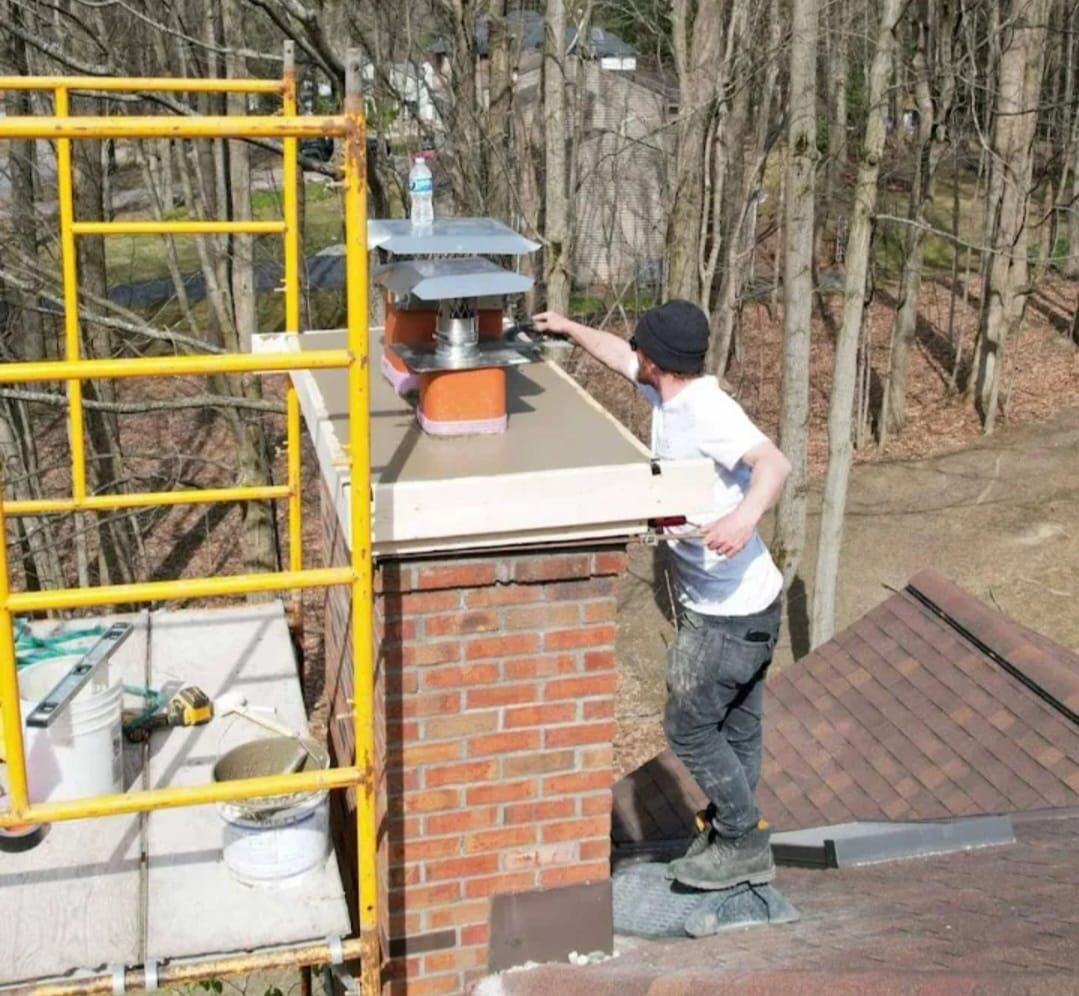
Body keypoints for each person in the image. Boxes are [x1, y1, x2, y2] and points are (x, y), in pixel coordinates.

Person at [533, 299, 791, 891]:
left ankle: (742, 838)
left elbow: (773, 462)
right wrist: (569, 329)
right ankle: (733, 838)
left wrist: (745, 517)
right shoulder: (670, 393)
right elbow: (619, 355)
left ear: (656, 359)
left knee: (689, 728)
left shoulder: (706, 411)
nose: (634, 357)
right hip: (752, 603)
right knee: (738, 730)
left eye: (640, 350)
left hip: (727, 616)